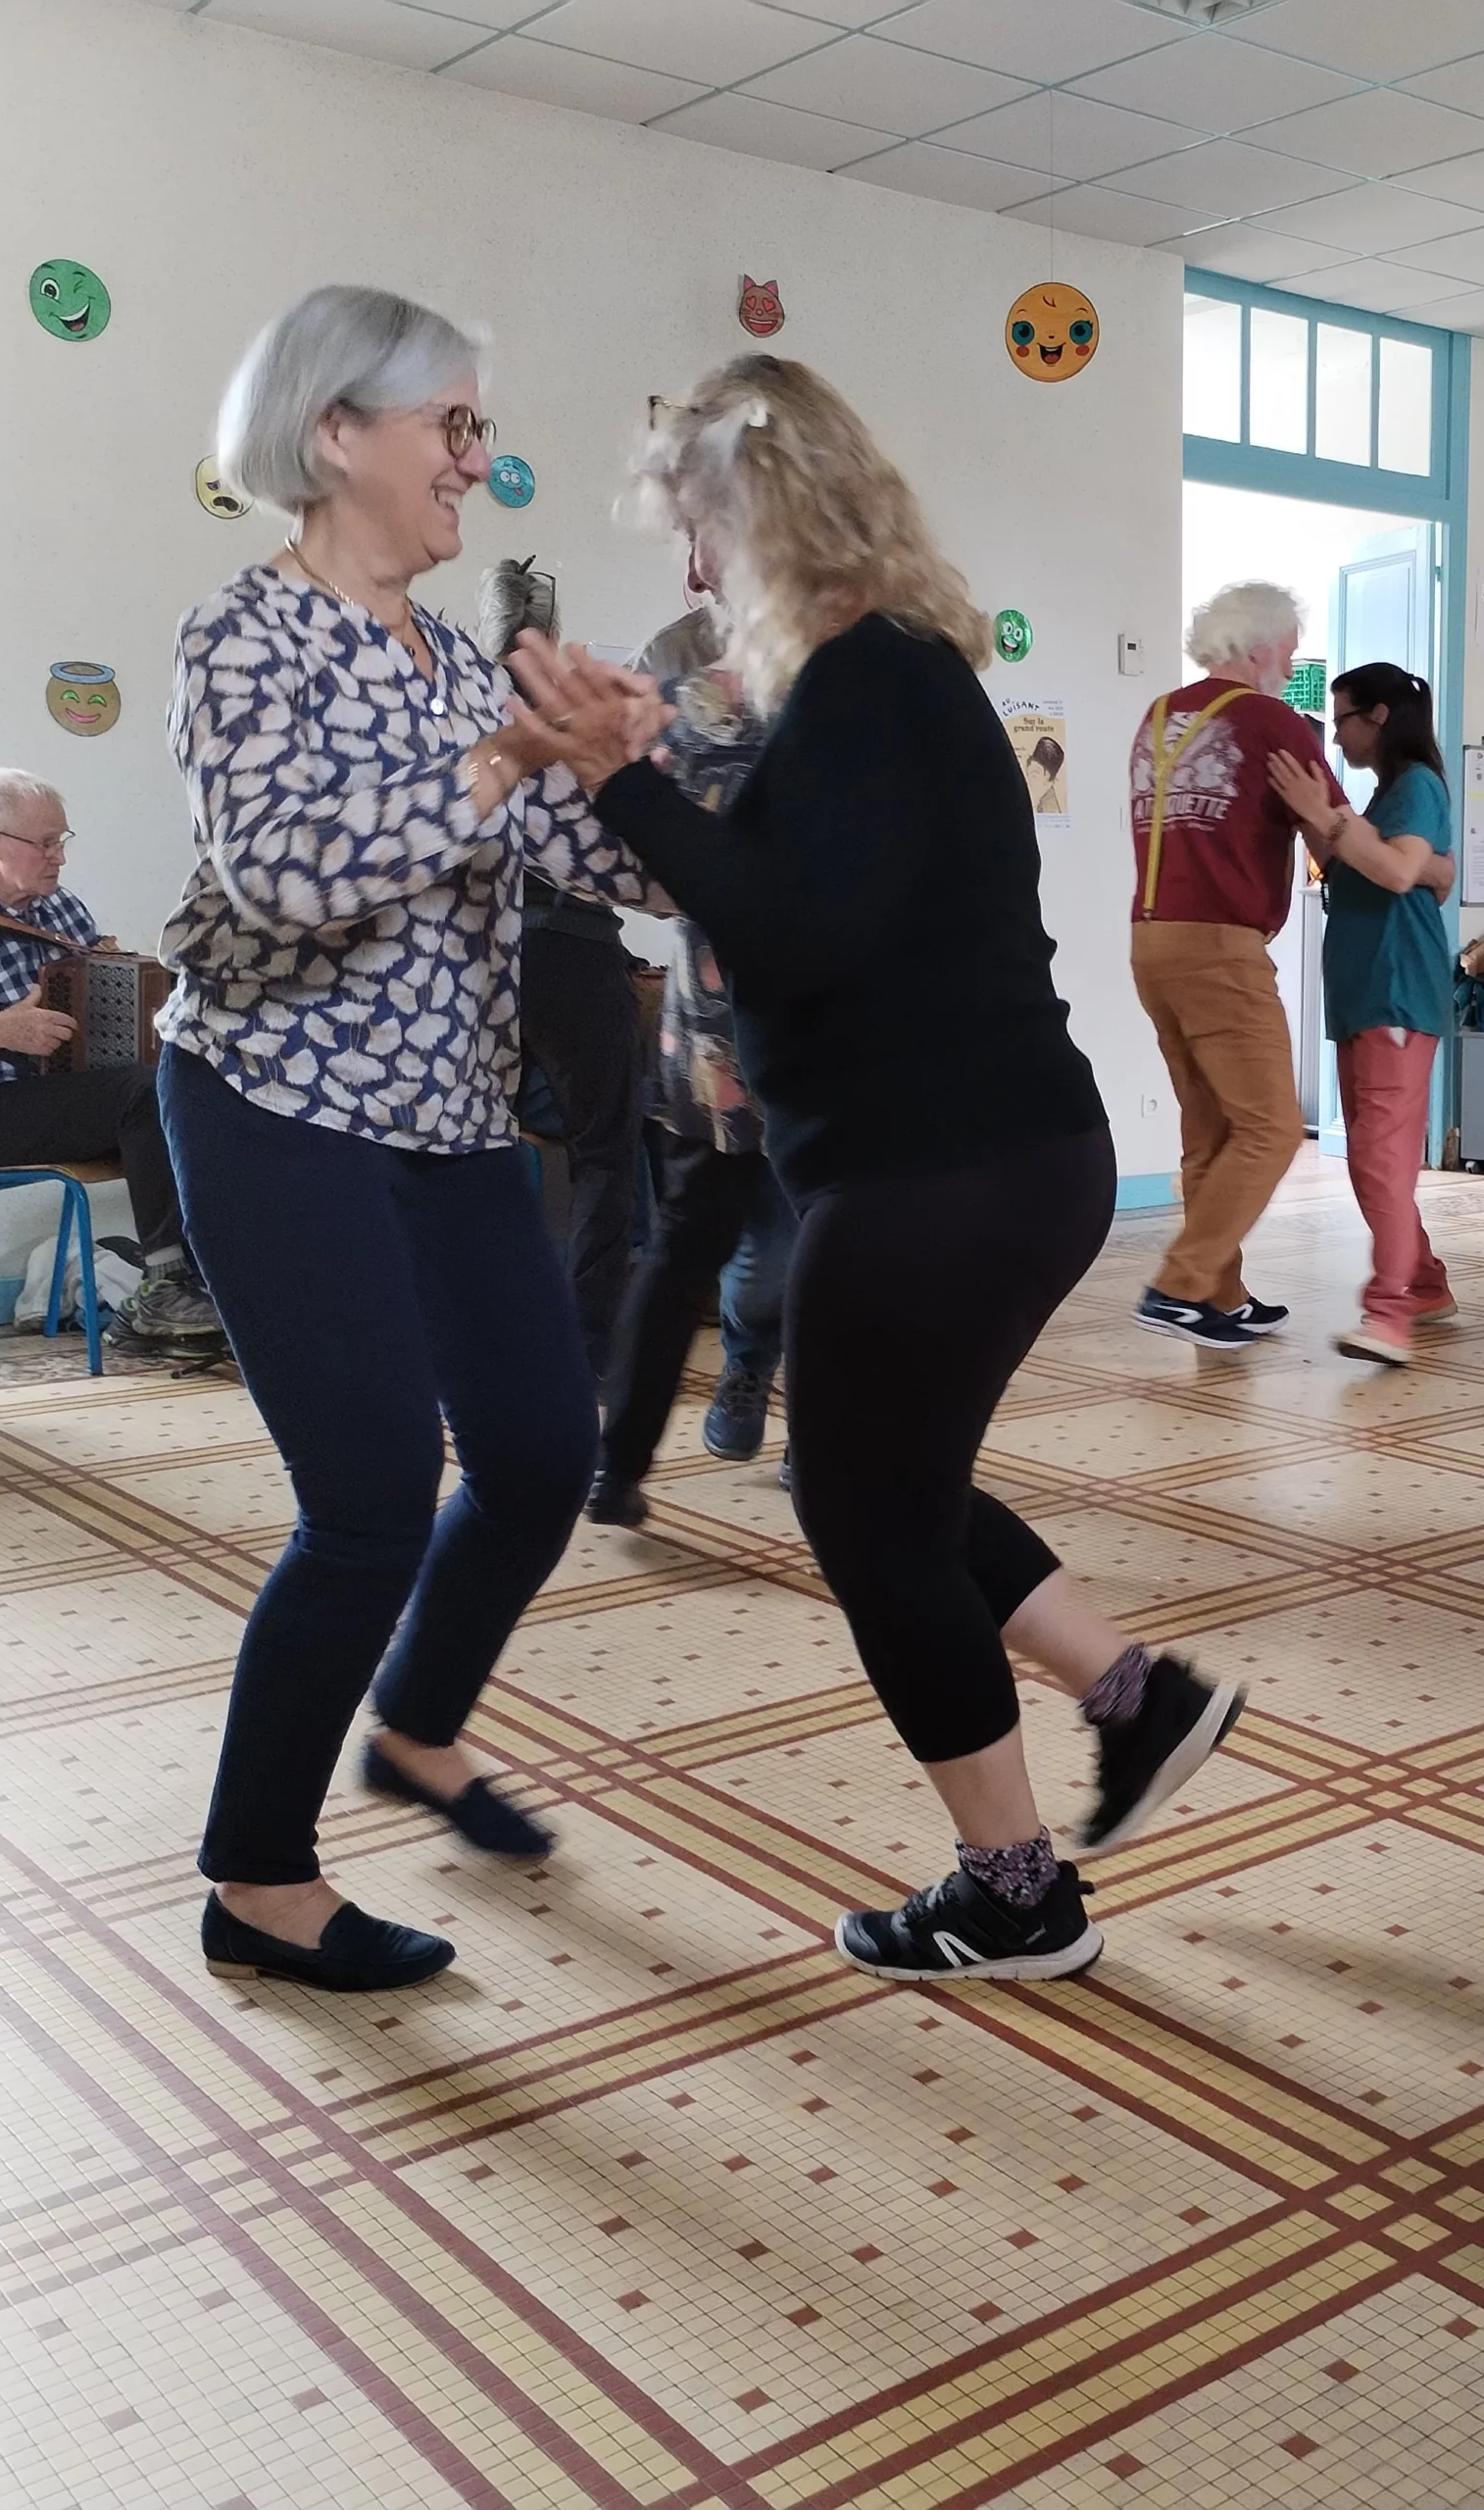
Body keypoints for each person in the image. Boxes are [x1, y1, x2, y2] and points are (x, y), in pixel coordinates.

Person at [516, 356, 1247, 1985]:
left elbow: (787, 926)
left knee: (867, 1518)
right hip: (987, 1160)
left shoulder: (870, 683)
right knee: (889, 1486)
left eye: (702, 531)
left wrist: (618, 772)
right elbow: (787, 891)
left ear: (762, 516)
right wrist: (642, 765)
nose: (695, 572)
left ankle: (1014, 1891)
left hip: (937, 1174)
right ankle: (1141, 1698)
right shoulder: (884, 682)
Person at [162, 284, 660, 1994]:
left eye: (477, 428)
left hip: (443, 1120)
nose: (475, 459)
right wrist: (514, 756)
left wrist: (636, 767)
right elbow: (284, 878)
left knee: (539, 1458)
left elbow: (596, 872)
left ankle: (420, 1728)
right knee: (371, 1500)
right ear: (335, 434)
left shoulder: (453, 656)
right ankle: (257, 1881)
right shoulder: (246, 635)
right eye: (452, 425)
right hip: (274, 1107)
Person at [585, 581, 796, 1525]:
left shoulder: (683, 700)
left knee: (685, 1254)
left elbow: (626, 859)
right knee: (805, 1251)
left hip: (717, 1029)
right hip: (782, 1030)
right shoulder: (815, 694)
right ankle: (791, 1430)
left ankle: (617, 1465)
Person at [1124, 585, 1340, 1352]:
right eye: (1287, 648)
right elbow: (1338, 832)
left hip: (1152, 940)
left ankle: (1222, 1294)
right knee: (1276, 1127)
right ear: (1259, 647)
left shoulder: (1158, 718)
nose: (1290, 663)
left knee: (1209, 1126)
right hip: (1220, 945)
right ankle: (1179, 1287)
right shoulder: (1268, 719)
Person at [476, 557, 645, 1383]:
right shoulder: (568, 711)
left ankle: (478, 1338)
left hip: (474, 954)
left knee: (470, 1146)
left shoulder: (451, 705)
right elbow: (616, 845)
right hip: (571, 944)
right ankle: (587, 1352)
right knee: (605, 1150)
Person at [1268, 662, 1458, 1367]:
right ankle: (1427, 1284)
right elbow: (1360, 864)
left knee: (1379, 1161)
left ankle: (1389, 1314)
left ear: (1378, 718)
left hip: (1397, 995)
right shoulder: (1385, 800)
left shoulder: (1417, 788)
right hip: (1363, 998)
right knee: (1378, 1162)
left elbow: (1404, 871)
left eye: (1344, 718)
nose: (1338, 733)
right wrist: (1311, 821)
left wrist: (1325, 817)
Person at [0, 770, 219, 1347]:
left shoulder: (61, 910)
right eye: (43, 843)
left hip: (60, 1098)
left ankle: (220, 1278)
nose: (58, 858)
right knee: (143, 1094)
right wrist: (2, 1030)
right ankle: (165, 1285)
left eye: (62, 840)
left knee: (199, 1087)